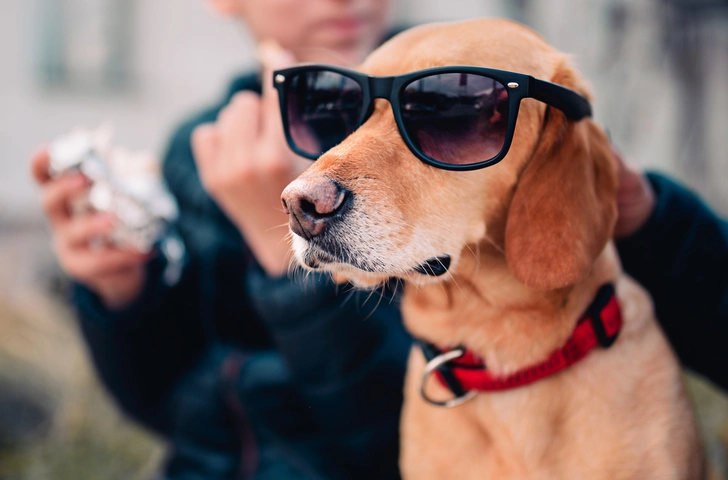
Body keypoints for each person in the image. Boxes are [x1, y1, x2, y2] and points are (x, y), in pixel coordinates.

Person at [31, 1, 410, 479]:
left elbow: (412, 435)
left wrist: (292, 244)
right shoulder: (200, 146)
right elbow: (171, 408)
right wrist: (124, 295)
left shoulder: (456, 135)